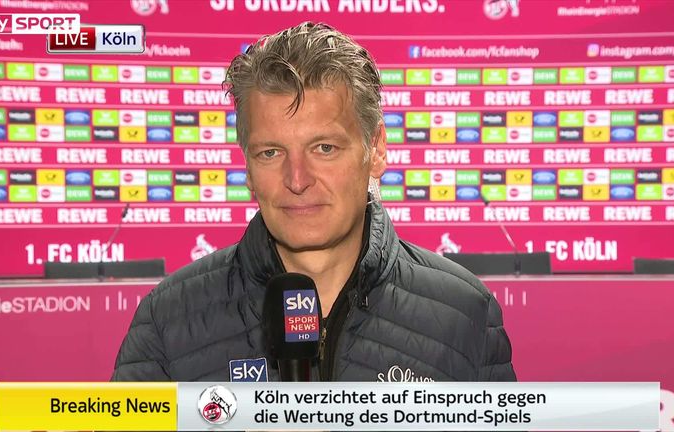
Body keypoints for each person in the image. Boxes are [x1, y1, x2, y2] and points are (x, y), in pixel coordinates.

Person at [111, 22, 515, 382]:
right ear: (247, 165)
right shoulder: (167, 319)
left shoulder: (465, 313)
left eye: (324, 148)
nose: (297, 180)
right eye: (271, 153)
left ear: (376, 149)